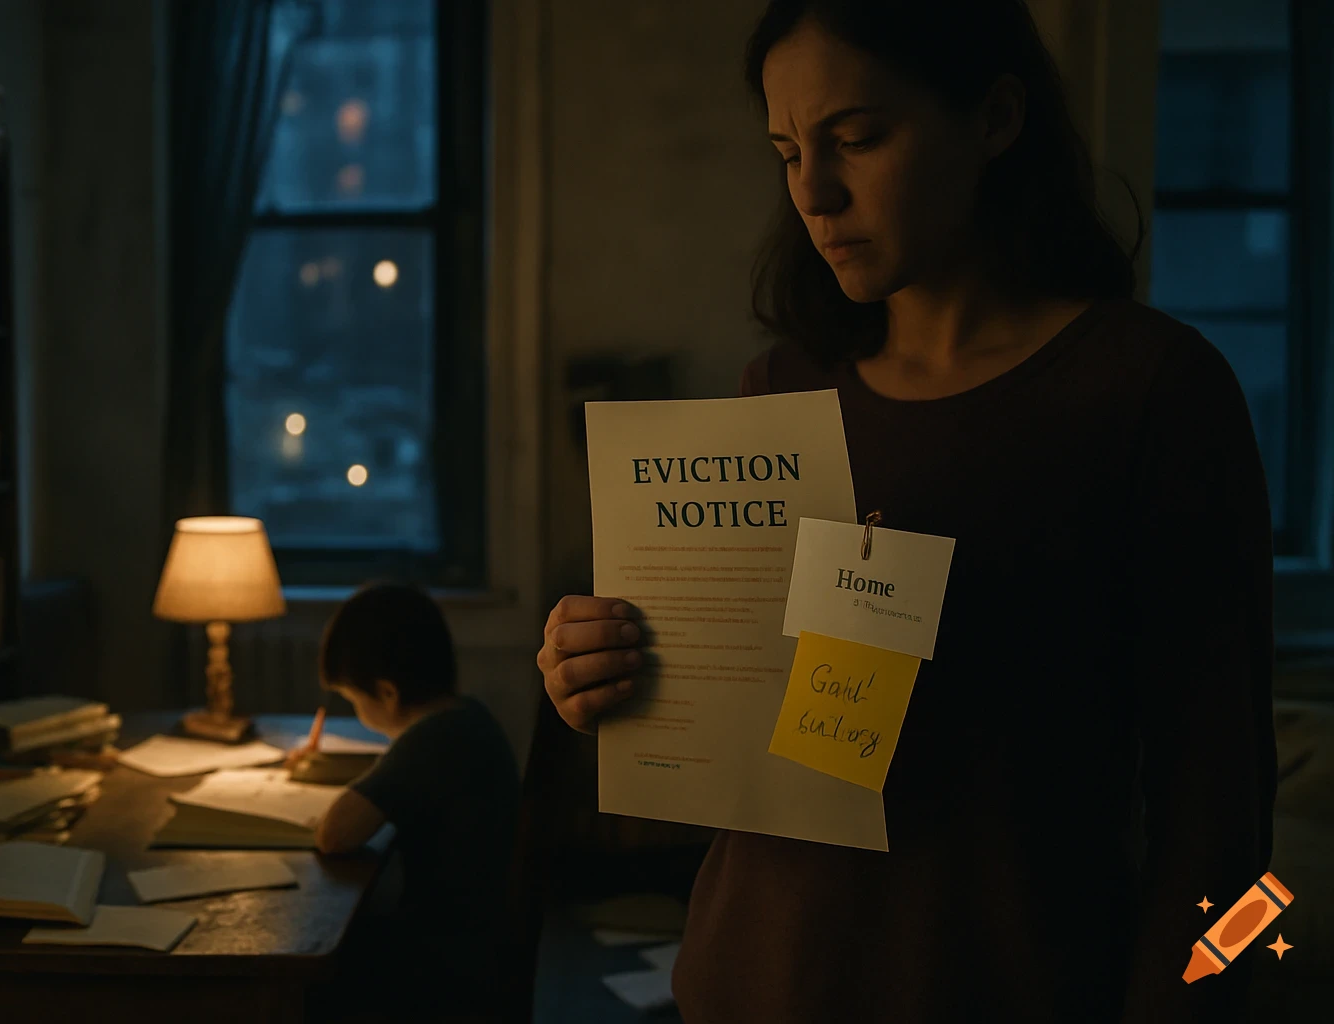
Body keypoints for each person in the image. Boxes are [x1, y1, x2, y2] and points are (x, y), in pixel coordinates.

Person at [536, 2, 1276, 1022]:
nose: (814, 192)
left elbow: (1221, 811)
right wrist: (607, 672)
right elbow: (751, 726)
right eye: (789, 150)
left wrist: (1184, 1000)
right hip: (748, 978)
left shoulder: (1148, 390)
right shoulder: (782, 388)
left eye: (857, 138)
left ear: (996, 119)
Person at [315, 582, 520, 1016]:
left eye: (353, 699)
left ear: (388, 693)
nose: (355, 711)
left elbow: (335, 834)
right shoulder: (464, 717)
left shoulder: (433, 740)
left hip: (446, 964)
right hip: (487, 941)